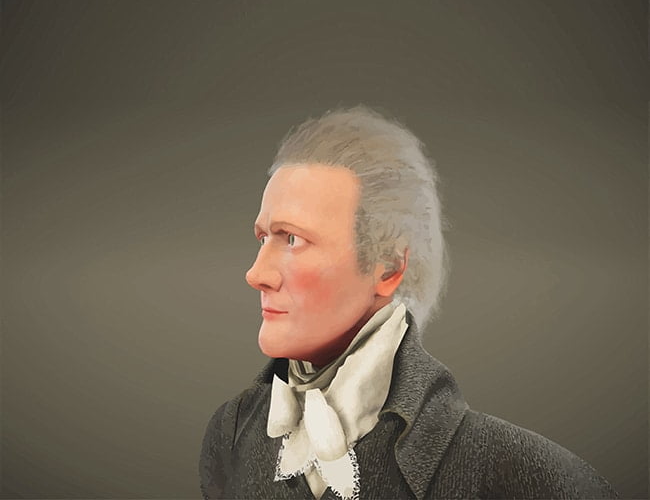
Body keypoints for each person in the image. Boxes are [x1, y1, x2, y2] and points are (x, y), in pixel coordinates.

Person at [199, 106, 618, 499]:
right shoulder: (230, 436)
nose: (256, 274)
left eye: (292, 239)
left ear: (388, 267)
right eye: (263, 238)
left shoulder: (520, 472)